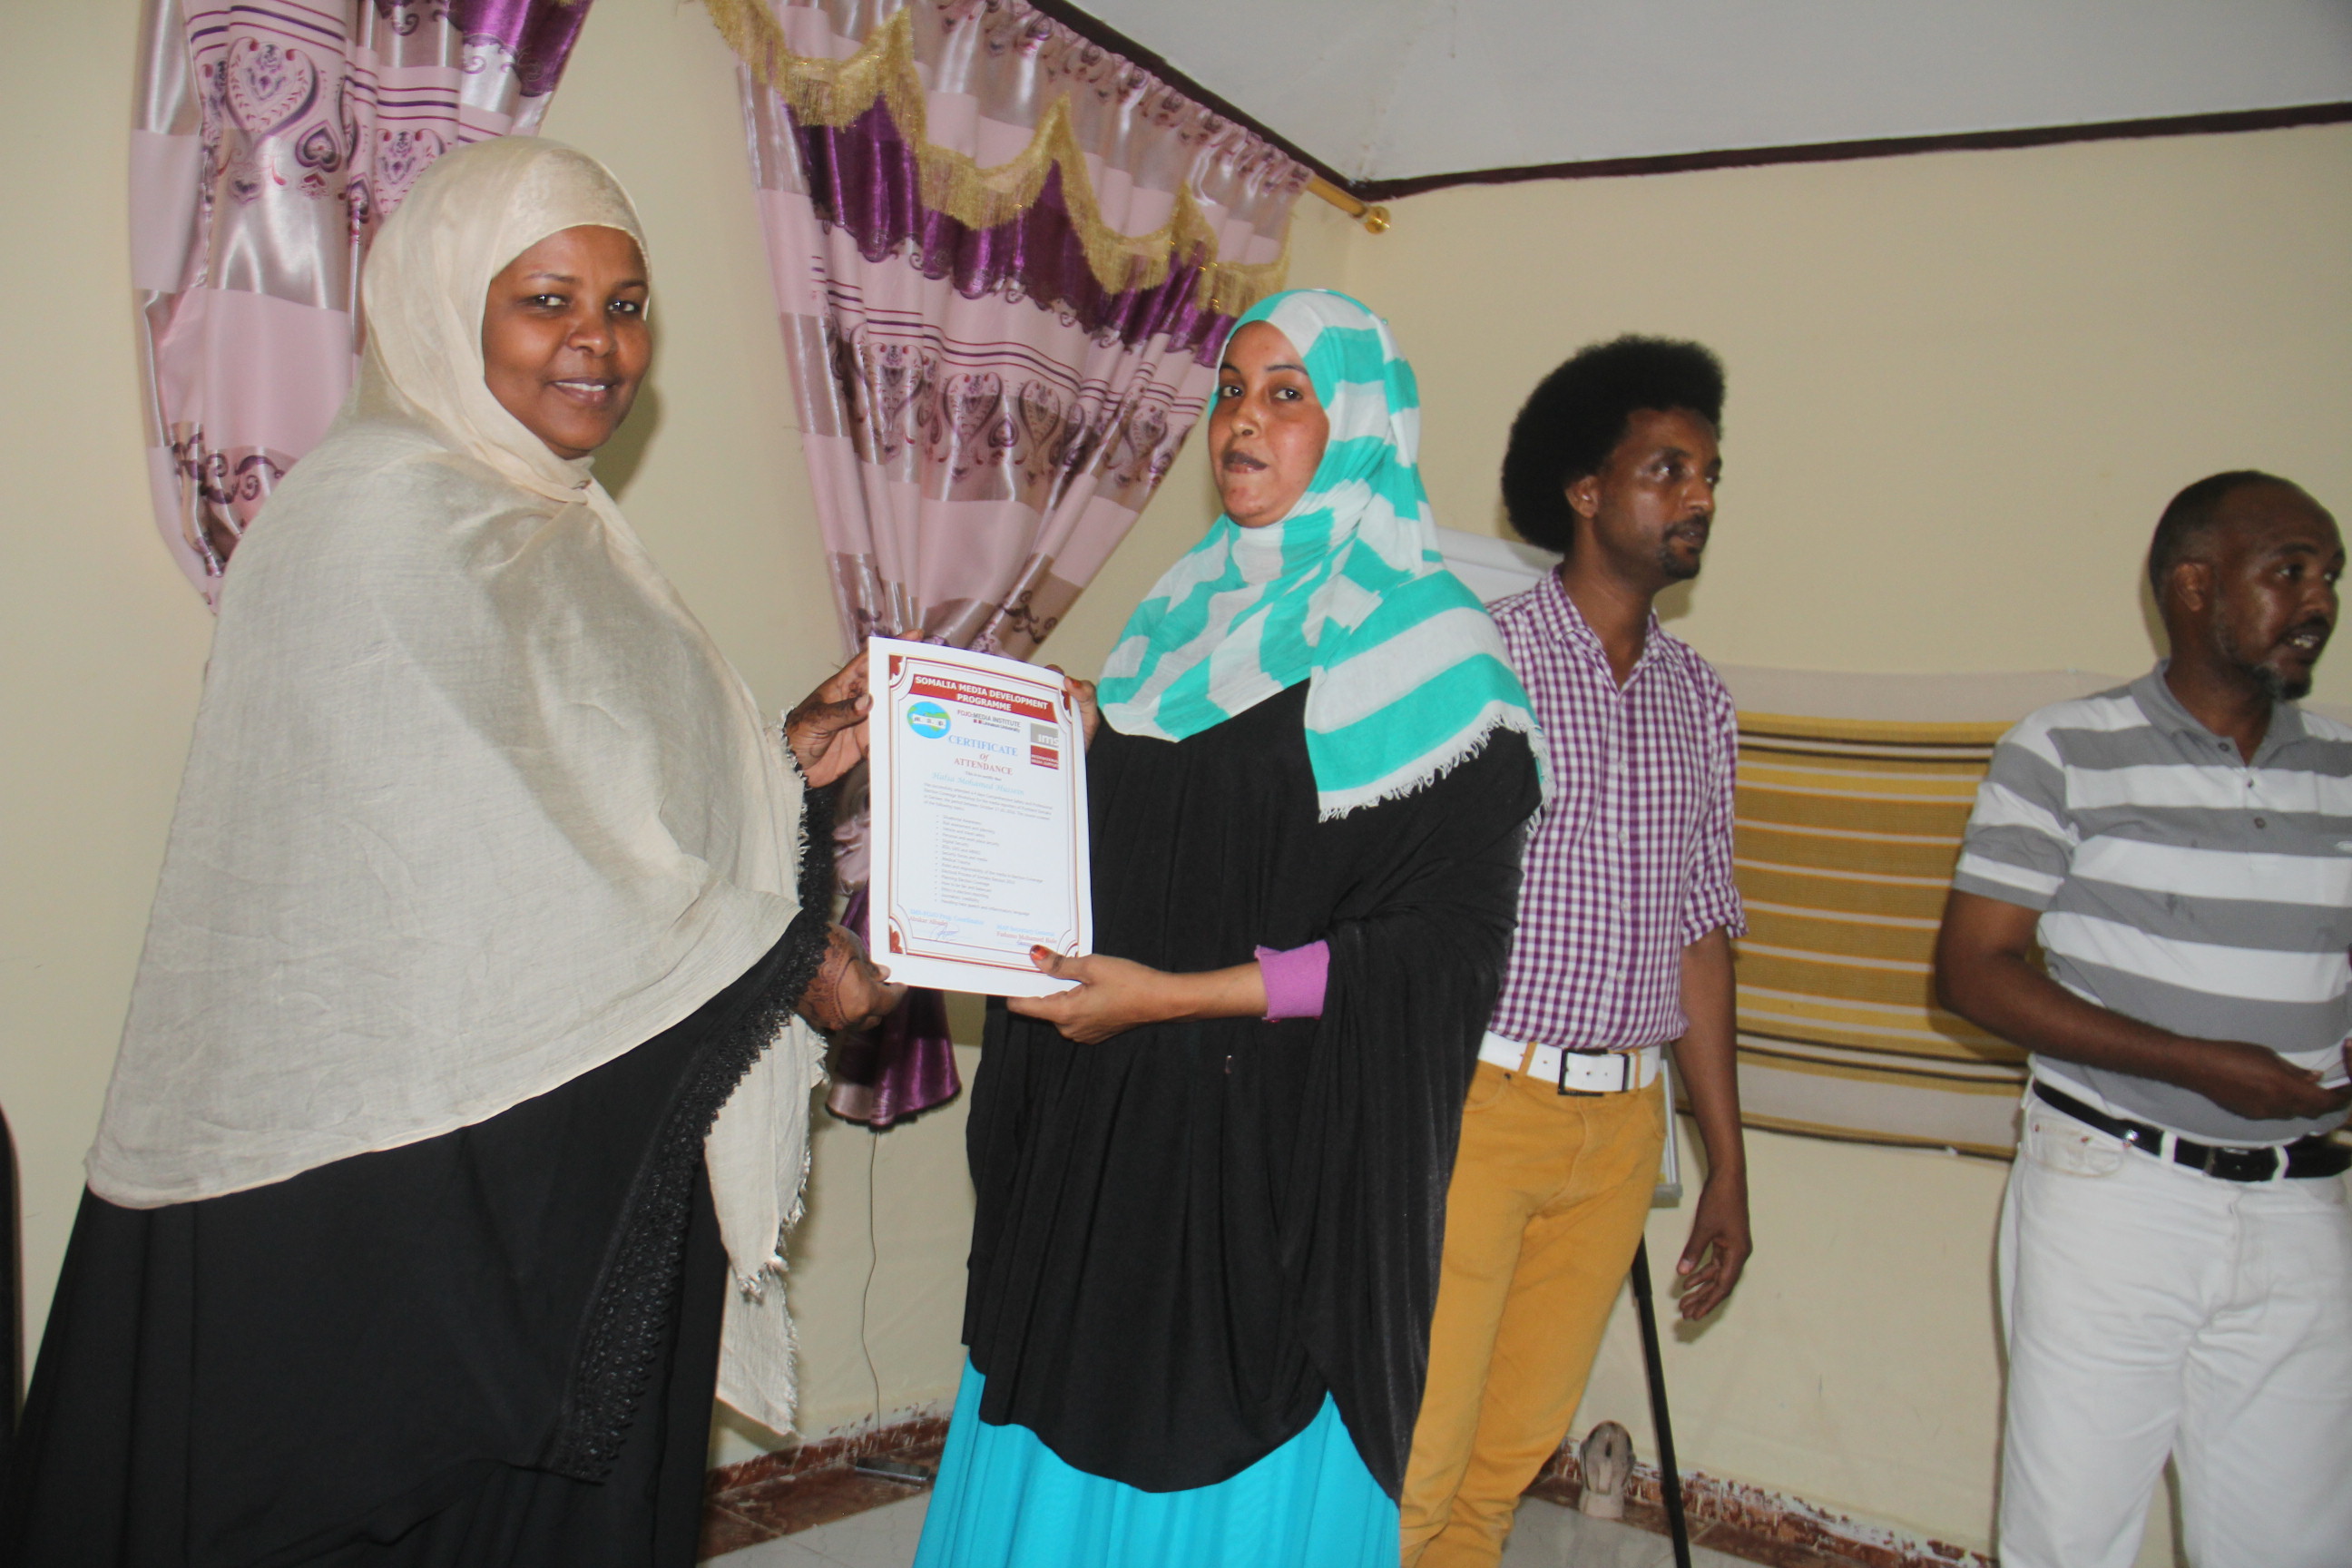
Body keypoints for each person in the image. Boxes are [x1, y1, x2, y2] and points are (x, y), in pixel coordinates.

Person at [0, 137, 901, 1566]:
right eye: (547, 300)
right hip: (390, 1195)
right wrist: (799, 962)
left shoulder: (567, 531)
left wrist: (777, 762)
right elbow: (486, 859)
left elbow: (585, 801)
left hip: (563, 1167)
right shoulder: (370, 518)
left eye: (626, 305)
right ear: (442, 303)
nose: (598, 343)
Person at [909, 290, 1546, 1568]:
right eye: (1232, 391)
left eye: (1287, 394)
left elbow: (1437, 958)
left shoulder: (1437, 658)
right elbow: (1161, 840)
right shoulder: (1178, 618)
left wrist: (1178, 997)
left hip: (1275, 1175)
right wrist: (1067, 742)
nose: (1244, 420)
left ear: (1360, 426)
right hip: (1115, 1135)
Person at [1935, 472, 2352, 1568]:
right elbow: (1974, 974)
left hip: (2303, 1207)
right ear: (2194, 586)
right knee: (2073, 1537)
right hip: (2116, 1192)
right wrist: (2197, 1063)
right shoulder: (2066, 749)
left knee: (2293, 1544)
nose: (2318, 601)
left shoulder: (2345, 769)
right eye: (2290, 572)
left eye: (2330, 576)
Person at [1401, 337, 1754, 1567]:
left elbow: (1702, 934)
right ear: (1587, 490)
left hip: (1621, 1134)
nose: (1698, 496)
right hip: (1479, 1103)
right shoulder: (1477, 659)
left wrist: (1726, 1161)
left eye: (1710, 474)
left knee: (1507, 1460)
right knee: (1420, 1450)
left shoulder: (1700, 699)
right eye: (1668, 470)